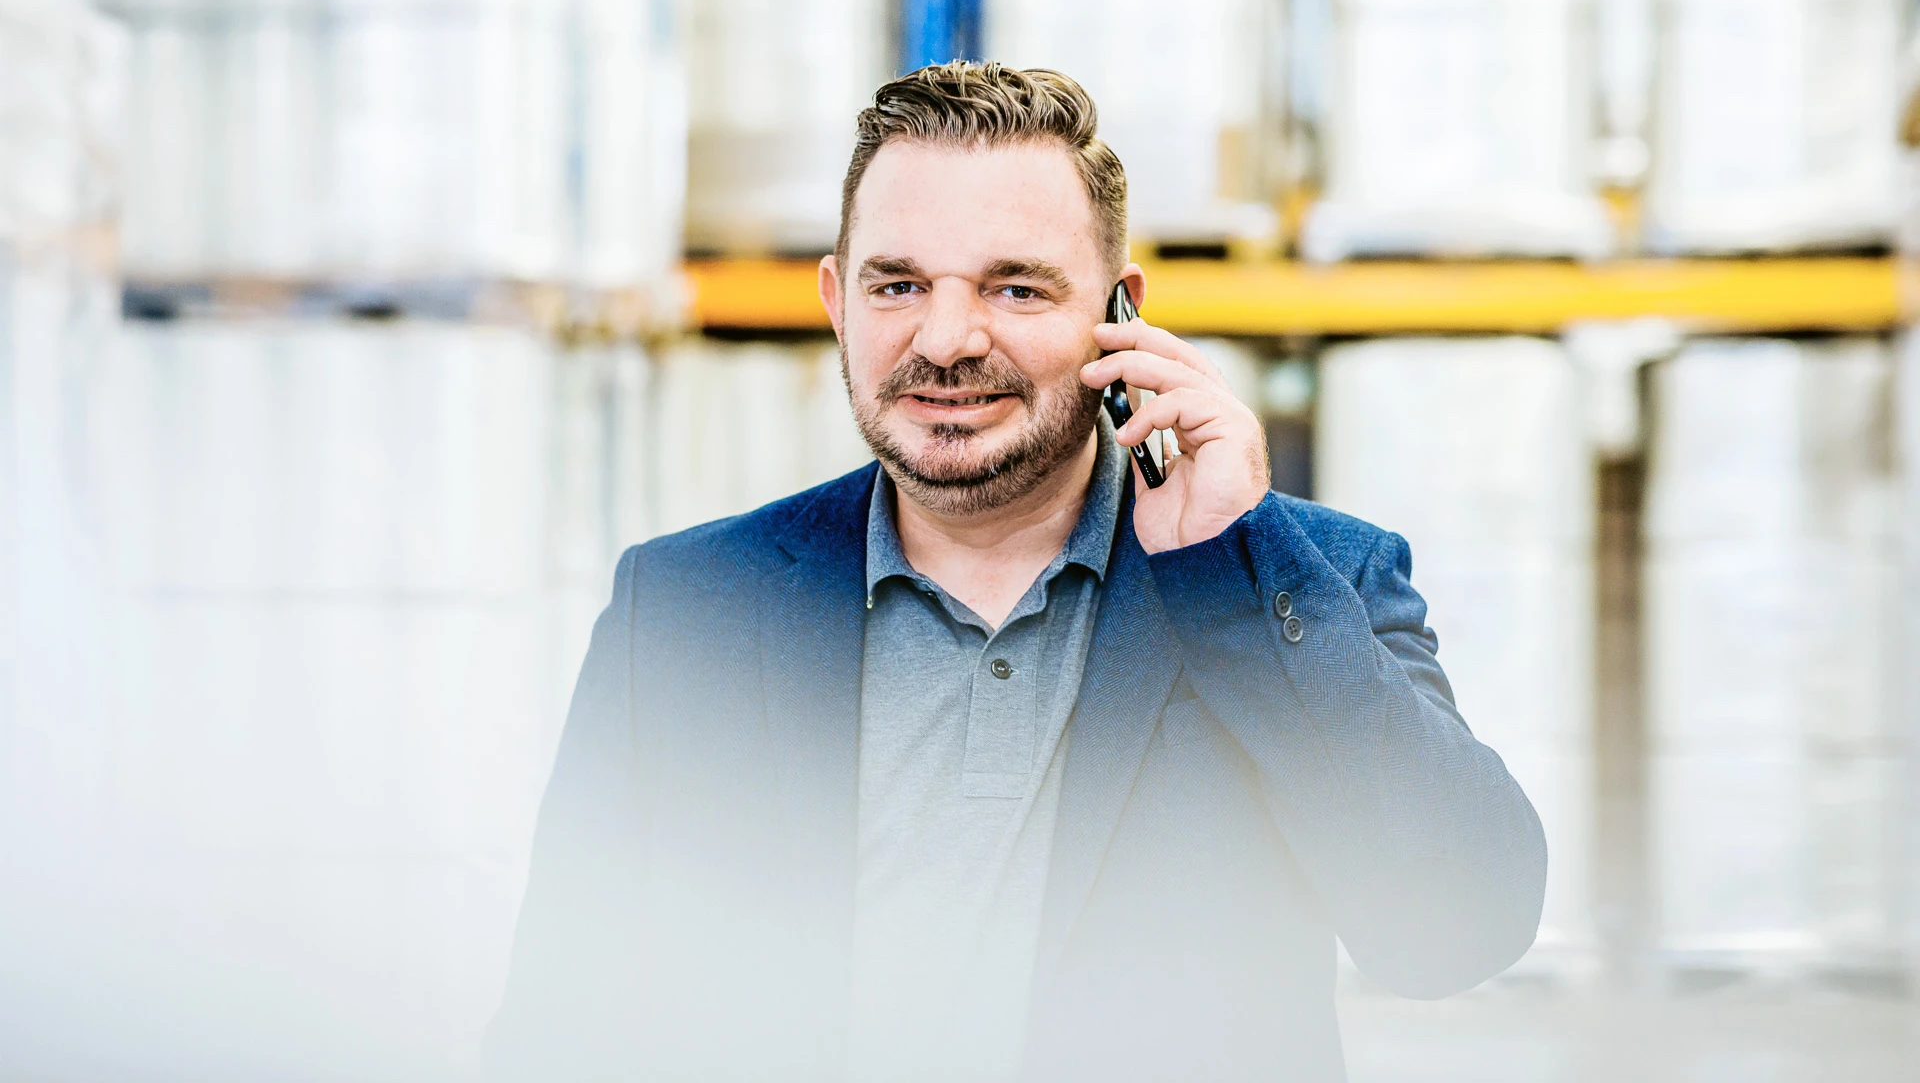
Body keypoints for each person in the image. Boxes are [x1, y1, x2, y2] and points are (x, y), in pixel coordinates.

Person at [485, 64, 1547, 1083]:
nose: (947, 339)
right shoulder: (683, 614)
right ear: (835, 300)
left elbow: (1452, 928)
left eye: (1017, 286)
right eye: (898, 283)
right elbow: (559, 1031)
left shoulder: (1307, 583)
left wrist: (1239, 557)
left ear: (1120, 312)